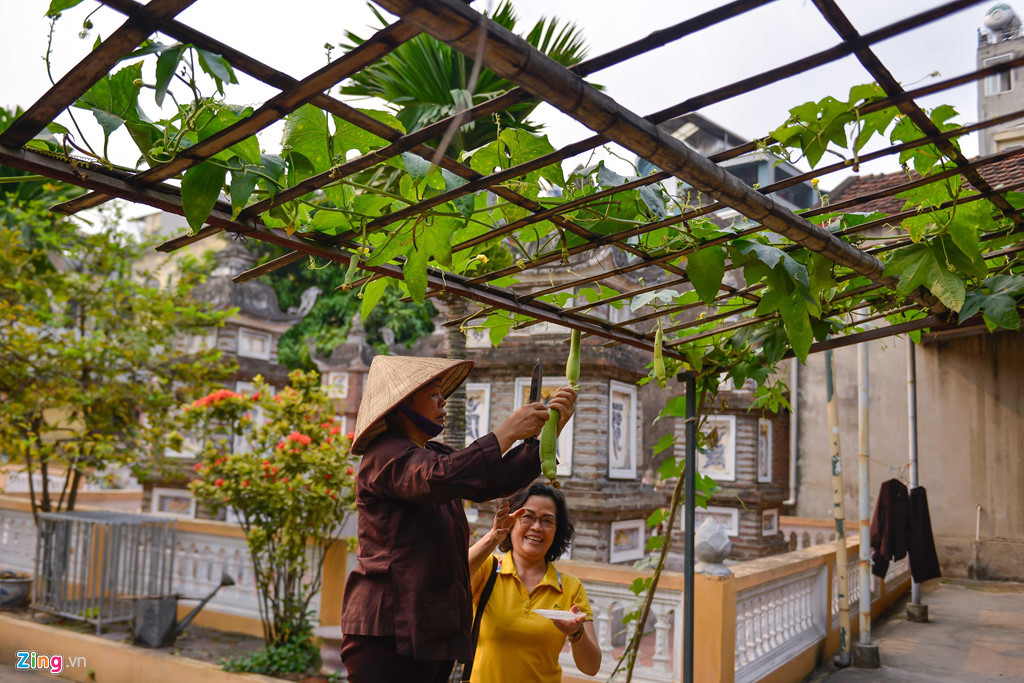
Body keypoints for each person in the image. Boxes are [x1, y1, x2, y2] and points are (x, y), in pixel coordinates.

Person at [340, 355, 577, 683]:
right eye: (433, 394)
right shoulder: (383, 455)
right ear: (402, 403)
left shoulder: (433, 453)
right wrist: (507, 431)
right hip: (388, 628)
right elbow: (440, 478)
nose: (443, 402)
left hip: (430, 626)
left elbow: (492, 480)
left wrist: (551, 428)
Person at [466, 483, 602, 681]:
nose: (537, 527)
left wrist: (576, 633)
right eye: (527, 516)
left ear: (557, 530)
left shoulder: (570, 588)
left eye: (547, 521)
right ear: (511, 521)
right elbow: (453, 573)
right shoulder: (488, 570)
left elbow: (591, 667)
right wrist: (494, 536)